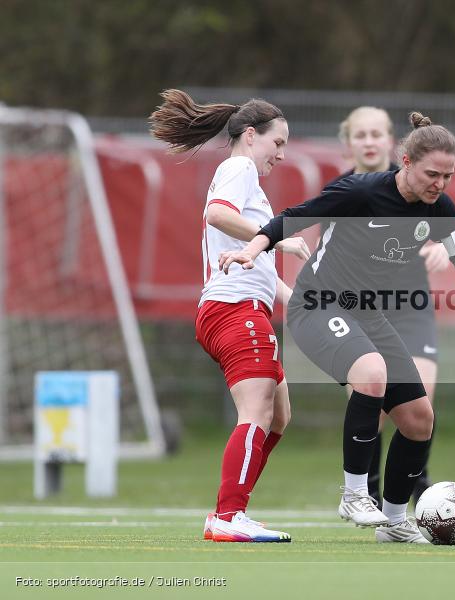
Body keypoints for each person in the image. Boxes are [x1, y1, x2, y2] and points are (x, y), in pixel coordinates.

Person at [219, 112, 455, 544]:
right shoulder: (360, 192)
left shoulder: (441, 209)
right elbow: (292, 217)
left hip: (368, 313)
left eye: (448, 175)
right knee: (371, 373)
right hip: (317, 305)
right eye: (432, 174)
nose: (440, 184)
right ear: (405, 161)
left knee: (419, 418)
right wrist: (254, 249)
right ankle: (354, 495)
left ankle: (393, 521)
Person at [149, 89, 311, 542]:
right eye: (277, 144)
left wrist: (293, 299)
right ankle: (227, 515)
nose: (281, 154)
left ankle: (232, 510)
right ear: (251, 135)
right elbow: (217, 215)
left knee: (278, 416)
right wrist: (276, 237)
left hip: (243, 306)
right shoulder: (237, 167)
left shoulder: (247, 180)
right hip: (232, 309)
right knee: (257, 409)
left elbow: (251, 257)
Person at [334, 107, 449, 508]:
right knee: (372, 399)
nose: (368, 141)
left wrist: (439, 248)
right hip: (362, 310)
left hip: (409, 305)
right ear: (348, 143)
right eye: (360, 135)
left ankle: (417, 482)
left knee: (421, 397)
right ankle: (366, 488)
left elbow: (447, 234)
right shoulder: (344, 193)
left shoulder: (419, 183)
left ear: (391, 142)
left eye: (376, 134)